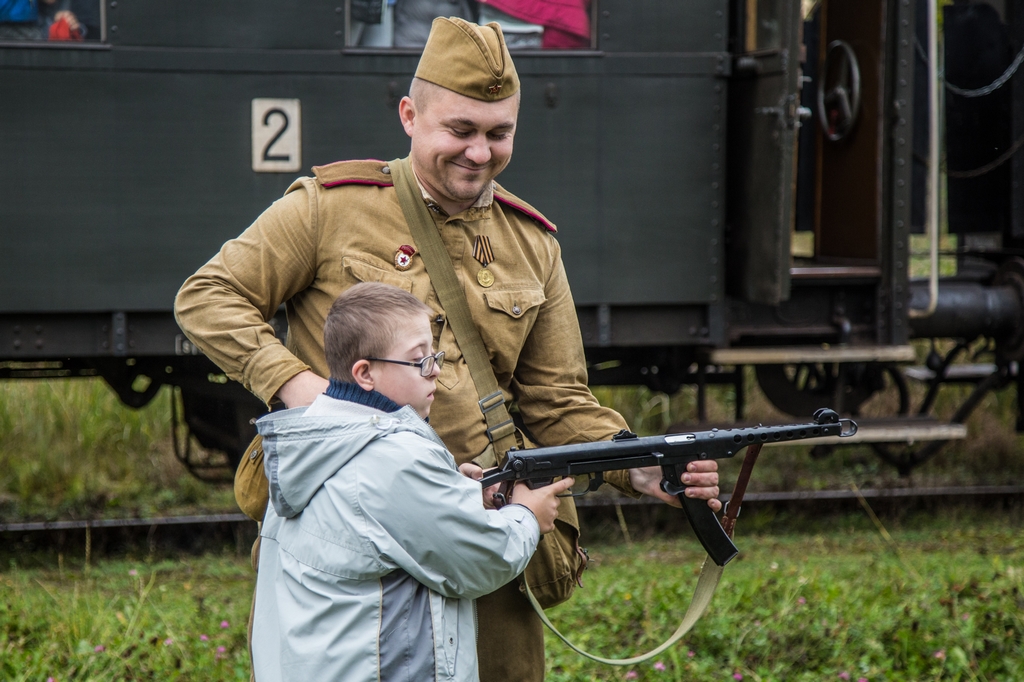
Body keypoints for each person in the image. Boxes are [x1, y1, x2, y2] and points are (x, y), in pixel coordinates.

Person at [175, 17, 720, 681]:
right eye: (460, 130)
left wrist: (636, 465)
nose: (480, 152)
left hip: (481, 536)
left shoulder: (533, 243)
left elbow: (556, 399)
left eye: (499, 133)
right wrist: (295, 385)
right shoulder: (329, 210)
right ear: (410, 115)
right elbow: (207, 297)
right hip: (351, 559)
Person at [252, 282, 573, 681]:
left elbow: (377, 521)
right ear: (365, 373)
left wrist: (458, 493)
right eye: (419, 360)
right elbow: (480, 557)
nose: (435, 369)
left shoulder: (319, 439)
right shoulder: (391, 457)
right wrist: (527, 514)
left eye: (434, 355)